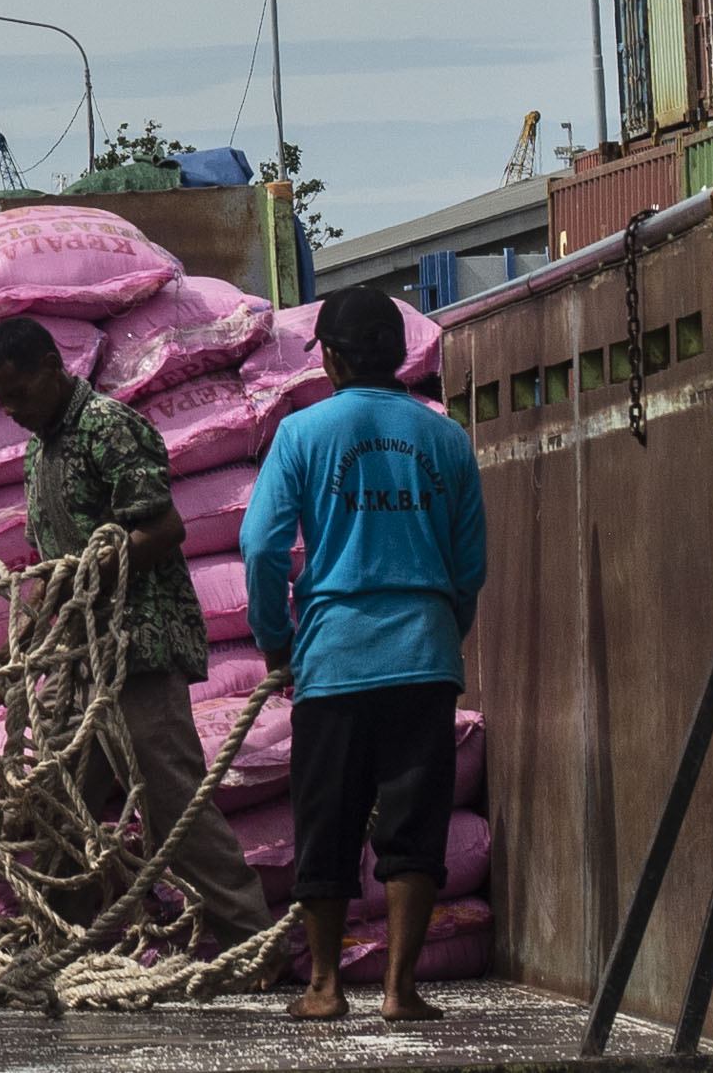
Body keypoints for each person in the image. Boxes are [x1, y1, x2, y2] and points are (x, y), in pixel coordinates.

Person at [0, 314, 275, 952]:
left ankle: (250, 938)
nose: (12, 411)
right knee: (60, 801)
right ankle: (60, 941)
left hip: (137, 647)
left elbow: (164, 530)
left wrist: (93, 570)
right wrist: (15, 647)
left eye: (19, 394)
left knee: (170, 801)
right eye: (0, 402)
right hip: (80, 654)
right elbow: (51, 567)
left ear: (51, 371)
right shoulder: (38, 452)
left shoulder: (109, 429)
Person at [244, 284, 485, 1024]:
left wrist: (276, 643)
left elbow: (260, 548)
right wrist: (445, 632)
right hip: (424, 654)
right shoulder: (446, 438)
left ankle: (323, 986)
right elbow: (469, 564)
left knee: (328, 824)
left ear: (336, 358)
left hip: (334, 660)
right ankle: (399, 990)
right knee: (414, 830)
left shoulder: (303, 434)